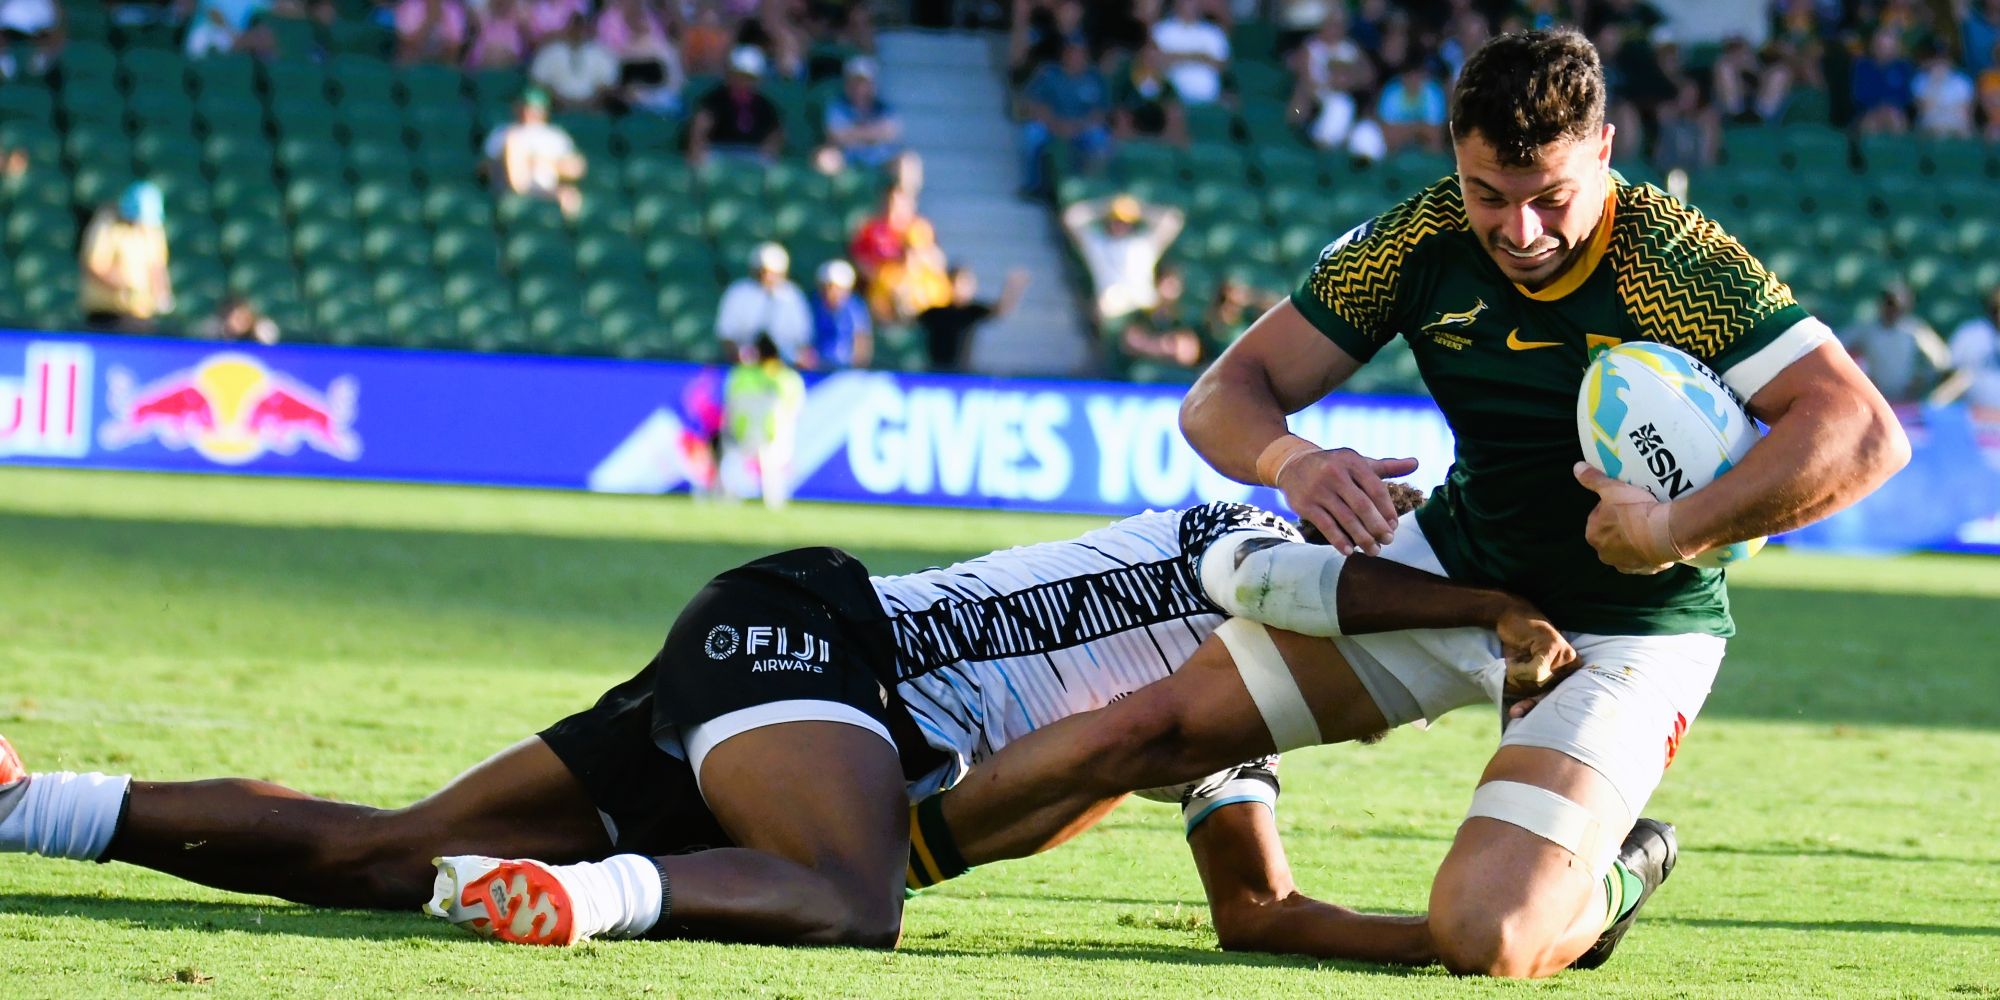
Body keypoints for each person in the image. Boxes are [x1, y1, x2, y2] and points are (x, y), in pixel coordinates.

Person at [953, 28, 1906, 978]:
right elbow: (1221, 395)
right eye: (1488, 194)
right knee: (1146, 730)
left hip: (1633, 629)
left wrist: (1669, 529)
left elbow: (1863, 432)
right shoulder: (1419, 239)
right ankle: (895, 852)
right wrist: (1293, 461)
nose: (1519, 231)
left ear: (1604, 151)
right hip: (1454, 574)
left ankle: (1618, 876)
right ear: (1455, 155)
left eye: (1550, 198)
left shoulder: (1674, 261)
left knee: (1486, 937)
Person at [0, 489, 1580, 954]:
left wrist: (1479, 948)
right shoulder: (1246, 535)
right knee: (850, 895)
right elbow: (1277, 585)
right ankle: (594, 904)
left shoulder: (1221, 724)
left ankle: (29, 804)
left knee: (384, 858)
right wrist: (1486, 611)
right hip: (818, 645)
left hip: (785, 701)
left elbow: (1259, 913)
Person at [1060, 193, 1183, 325]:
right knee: (1103, 308)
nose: (1120, 225)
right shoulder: (1097, 244)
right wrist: (1106, 206)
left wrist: (1138, 209)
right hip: (1113, 304)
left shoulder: (1143, 244)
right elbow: (1070, 218)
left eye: (1125, 222)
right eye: (1116, 221)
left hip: (1144, 303)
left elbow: (1173, 221)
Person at [718, 334, 806, 508]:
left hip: (742, 435)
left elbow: (729, 407)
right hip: (773, 437)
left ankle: (727, 497)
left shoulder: (740, 375)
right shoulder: (788, 378)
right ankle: (774, 501)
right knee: (772, 463)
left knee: (731, 458)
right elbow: (796, 410)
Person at [1018, 39, 1111, 197]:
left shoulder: (1095, 78)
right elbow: (1032, 104)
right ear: (1064, 55)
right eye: (1071, 52)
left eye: (1080, 53)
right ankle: (1033, 185)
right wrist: (1054, 124)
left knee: (1100, 138)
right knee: (1032, 134)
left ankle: (1089, 188)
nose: (1075, 57)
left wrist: (1078, 126)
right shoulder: (1049, 74)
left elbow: (1101, 112)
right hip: (1051, 125)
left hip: (1082, 128)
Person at [80, 181, 173, 334]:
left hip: (141, 314)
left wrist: (161, 295)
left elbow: (157, 266)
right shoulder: (107, 225)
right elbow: (95, 267)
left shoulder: (153, 230)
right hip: (107, 315)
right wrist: (125, 287)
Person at [482, 88, 586, 217]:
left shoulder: (555, 136)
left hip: (546, 185)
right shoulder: (502, 132)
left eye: (534, 108)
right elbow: (484, 167)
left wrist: (544, 161)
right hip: (510, 187)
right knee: (513, 142)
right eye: (525, 107)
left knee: (570, 197)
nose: (528, 112)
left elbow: (577, 168)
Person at [1844, 283, 1950, 405]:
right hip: (1875, 399)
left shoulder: (1914, 330)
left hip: (1907, 401)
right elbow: (1838, 345)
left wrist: (1922, 379)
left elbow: (1942, 360)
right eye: (1889, 303)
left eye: (1897, 305)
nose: (1892, 309)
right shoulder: (1866, 329)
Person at [714, 242, 813, 363]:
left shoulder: (793, 295)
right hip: (745, 364)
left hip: (784, 365)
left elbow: (803, 340)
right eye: (763, 271)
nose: (767, 276)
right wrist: (738, 355)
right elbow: (726, 335)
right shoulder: (738, 292)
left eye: (773, 272)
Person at [915, 266, 1028, 371]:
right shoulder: (935, 312)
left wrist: (1012, 288)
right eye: (957, 282)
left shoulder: (972, 311)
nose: (961, 287)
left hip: (963, 372)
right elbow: (911, 320)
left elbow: (999, 310)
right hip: (936, 371)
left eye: (966, 283)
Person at [688, 46, 785, 166]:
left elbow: (776, 132)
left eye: (749, 78)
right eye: (739, 75)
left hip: (752, 154)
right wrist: (697, 151)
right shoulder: (716, 99)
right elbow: (700, 127)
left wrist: (769, 149)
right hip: (719, 152)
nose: (743, 82)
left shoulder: (764, 104)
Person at [530, 13, 620, 112]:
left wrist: (589, 103)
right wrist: (560, 101)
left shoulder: (602, 53)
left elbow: (607, 86)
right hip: (556, 108)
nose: (577, 31)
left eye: (581, 27)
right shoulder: (550, 52)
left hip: (593, 109)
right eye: (574, 26)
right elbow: (539, 83)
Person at [824, 57, 902, 170]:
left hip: (881, 161)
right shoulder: (838, 107)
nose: (860, 88)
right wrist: (874, 133)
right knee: (826, 158)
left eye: (864, 83)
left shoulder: (884, 108)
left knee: (908, 162)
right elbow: (835, 136)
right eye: (855, 82)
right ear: (847, 84)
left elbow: (892, 133)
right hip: (847, 160)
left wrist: (852, 133)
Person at [1150, 0, 1228, 106]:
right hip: (1172, 101)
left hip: (1208, 99)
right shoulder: (1161, 30)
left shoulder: (1213, 32)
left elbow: (1220, 65)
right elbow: (1156, 60)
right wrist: (1200, 56)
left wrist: (1176, 57)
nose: (1190, 5)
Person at [808, 259, 872, 369]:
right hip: (817, 368)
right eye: (827, 287)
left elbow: (861, 341)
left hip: (846, 369)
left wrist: (856, 368)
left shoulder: (854, 307)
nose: (831, 292)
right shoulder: (813, 304)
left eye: (836, 288)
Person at [395, 0, 469, 65]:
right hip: (412, 65)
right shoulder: (411, 5)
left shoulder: (452, 9)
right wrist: (430, 19)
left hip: (441, 65)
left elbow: (455, 48)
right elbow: (408, 43)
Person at [193, 294, 281, 346]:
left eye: (246, 318)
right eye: (237, 318)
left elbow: (271, 353)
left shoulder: (260, 330)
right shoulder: (214, 331)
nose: (242, 322)